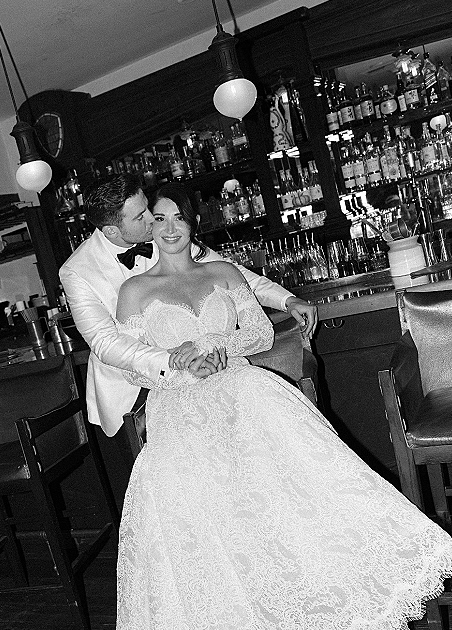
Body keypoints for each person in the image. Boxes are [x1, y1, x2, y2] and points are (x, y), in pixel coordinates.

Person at [79, 184, 452, 630]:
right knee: (202, 541)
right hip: (181, 415)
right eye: (160, 220)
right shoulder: (133, 291)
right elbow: (120, 361)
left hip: (241, 399)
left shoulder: (223, 270)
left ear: (193, 222)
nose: (169, 228)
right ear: (148, 229)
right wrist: (170, 360)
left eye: (179, 217)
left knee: (292, 511)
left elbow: (257, 333)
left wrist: (223, 347)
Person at [59, 173, 317, 442]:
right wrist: (176, 361)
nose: (152, 218)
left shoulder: (166, 233)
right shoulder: (77, 271)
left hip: (217, 373)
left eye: (148, 207)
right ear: (112, 230)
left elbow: (229, 274)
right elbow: (105, 343)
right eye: (140, 217)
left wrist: (287, 300)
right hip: (133, 387)